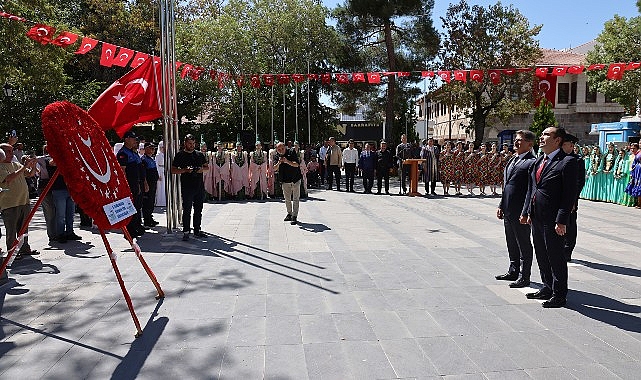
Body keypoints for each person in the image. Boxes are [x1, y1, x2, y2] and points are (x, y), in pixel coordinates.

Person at [523, 126, 578, 308]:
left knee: (555, 256)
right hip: (537, 216)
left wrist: (562, 220)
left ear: (557, 140)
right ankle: (547, 287)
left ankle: (559, 294)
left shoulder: (567, 162)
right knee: (541, 253)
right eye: (542, 134)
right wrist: (528, 212)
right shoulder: (539, 160)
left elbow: (569, 194)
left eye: (547, 135)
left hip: (554, 220)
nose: (542, 137)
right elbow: (533, 188)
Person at [496, 130, 536, 288]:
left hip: (521, 211)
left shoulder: (532, 162)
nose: (516, 142)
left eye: (520, 140)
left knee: (523, 244)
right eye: (516, 140)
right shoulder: (513, 159)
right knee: (511, 241)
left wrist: (526, 211)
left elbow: (531, 189)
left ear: (529, 144)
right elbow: (507, 186)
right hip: (508, 209)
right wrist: (501, 204)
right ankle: (513, 270)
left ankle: (524, 275)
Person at [0, 143, 40, 259]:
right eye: (8, 151)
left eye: (12, 151)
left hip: (24, 201)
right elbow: (9, 178)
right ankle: (12, 253)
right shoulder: (1, 167)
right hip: (9, 203)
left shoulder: (16, 164)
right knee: (11, 230)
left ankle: (24, 248)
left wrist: (33, 164)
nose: (12, 153)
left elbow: (31, 174)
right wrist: (24, 166)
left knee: (24, 228)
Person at [171, 134, 209, 241]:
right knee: (187, 209)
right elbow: (173, 170)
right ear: (185, 143)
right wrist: (185, 170)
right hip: (187, 187)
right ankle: (186, 231)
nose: (191, 145)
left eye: (193, 143)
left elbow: (207, 167)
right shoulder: (180, 155)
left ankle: (197, 230)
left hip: (199, 186)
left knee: (198, 209)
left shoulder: (199, 155)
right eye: (189, 143)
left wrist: (201, 169)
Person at [116, 131, 146, 238]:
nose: (135, 141)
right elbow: (122, 171)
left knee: (138, 206)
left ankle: (137, 225)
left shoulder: (133, 153)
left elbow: (140, 169)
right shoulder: (123, 153)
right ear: (126, 139)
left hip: (138, 183)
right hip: (131, 184)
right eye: (133, 138)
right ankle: (130, 229)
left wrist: (144, 182)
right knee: (131, 207)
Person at [561, 134, 585, 262]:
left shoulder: (577, 160)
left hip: (571, 198)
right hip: (558, 198)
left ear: (571, 146)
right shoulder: (558, 158)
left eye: (564, 144)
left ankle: (567, 250)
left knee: (570, 224)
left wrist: (574, 199)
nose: (562, 146)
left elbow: (579, 182)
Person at [49, 159, 82, 243]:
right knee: (61, 214)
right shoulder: (49, 159)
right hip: (59, 190)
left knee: (70, 213)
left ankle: (70, 232)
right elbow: (52, 163)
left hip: (70, 189)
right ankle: (61, 234)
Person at [274, 142, 302, 224]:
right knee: (287, 199)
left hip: (295, 179)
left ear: (285, 147)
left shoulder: (291, 152)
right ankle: (289, 213)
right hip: (285, 180)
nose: (281, 151)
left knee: (296, 198)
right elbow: (274, 168)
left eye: (282, 148)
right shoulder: (276, 156)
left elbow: (297, 164)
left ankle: (294, 215)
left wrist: (287, 161)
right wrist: (279, 163)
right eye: (279, 149)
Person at [37, 145, 57, 242]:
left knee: (58, 211)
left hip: (56, 187)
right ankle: (52, 234)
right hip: (45, 187)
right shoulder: (40, 160)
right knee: (50, 212)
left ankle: (59, 232)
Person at [141, 142, 160, 227]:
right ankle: (147, 220)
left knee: (151, 201)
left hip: (153, 183)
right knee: (147, 202)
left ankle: (150, 217)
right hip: (148, 183)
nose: (153, 150)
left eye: (154, 148)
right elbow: (143, 174)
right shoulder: (144, 160)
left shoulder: (151, 158)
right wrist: (145, 184)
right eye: (151, 148)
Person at [625, 143, 641, 207]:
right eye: (640, 143)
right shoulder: (638, 152)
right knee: (637, 185)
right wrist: (632, 172)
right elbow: (634, 162)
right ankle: (638, 203)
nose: (640, 144)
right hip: (637, 171)